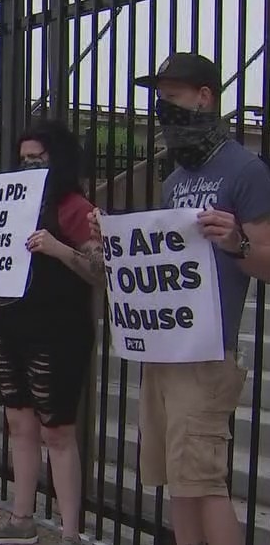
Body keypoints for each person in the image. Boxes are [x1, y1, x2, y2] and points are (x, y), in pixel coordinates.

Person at [90, 53, 270, 545]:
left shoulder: (246, 170)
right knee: (177, 480)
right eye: (159, 99)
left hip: (208, 352)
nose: (161, 109)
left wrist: (236, 242)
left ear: (204, 97)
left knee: (205, 482)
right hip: (164, 348)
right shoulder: (174, 181)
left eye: (171, 97)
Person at [0, 120, 104, 544]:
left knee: (58, 430)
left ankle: (70, 532)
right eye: (24, 158)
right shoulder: (9, 205)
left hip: (59, 329)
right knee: (18, 423)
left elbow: (100, 272)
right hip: (11, 324)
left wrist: (59, 248)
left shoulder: (75, 207)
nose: (29, 165)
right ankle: (21, 518)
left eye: (38, 158)